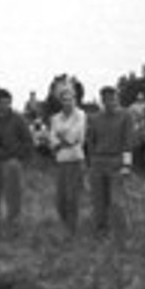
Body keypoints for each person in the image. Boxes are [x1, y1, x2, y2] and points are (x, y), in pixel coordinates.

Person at [0, 87, 35, 237]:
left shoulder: (18, 120)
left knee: (13, 198)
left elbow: (28, 143)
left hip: (11, 162)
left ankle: (13, 230)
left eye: (8, 103)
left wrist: (16, 154)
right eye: (2, 103)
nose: (5, 106)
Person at [84, 86, 135, 239]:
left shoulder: (126, 116)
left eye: (112, 98)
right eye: (106, 99)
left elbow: (128, 143)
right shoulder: (94, 118)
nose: (109, 102)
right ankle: (101, 233)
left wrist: (127, 165)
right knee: (98, 202)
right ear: (102, 100)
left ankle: (123, 235)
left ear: (117, 99)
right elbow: (90, 142)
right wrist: (90, 164)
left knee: (117, 202)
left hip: (117, 162)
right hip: (98, 163)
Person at [48, 85, 86, 237]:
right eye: (64, 99)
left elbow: (75, 136)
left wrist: (61, 138)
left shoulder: (81, 115)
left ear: (75, 99)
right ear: (60, 101)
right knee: (60, 200)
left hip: (75, 160)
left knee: (72, 197)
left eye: (70, 99)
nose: (68, 102)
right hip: (61, 161)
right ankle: (65, 226)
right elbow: (52, 139)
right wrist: (60, 141)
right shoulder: (55, 118)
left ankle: (72, 230)